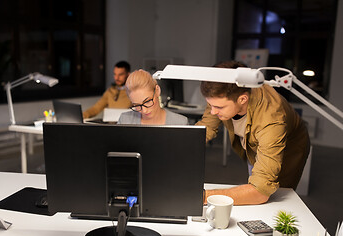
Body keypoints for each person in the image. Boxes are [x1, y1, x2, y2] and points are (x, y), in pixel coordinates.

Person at [195, 61, 310, 205]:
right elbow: (207, 127)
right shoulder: (222, 92)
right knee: (252, 185)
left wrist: (203, 196)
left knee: (277, 197)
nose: (212, 111)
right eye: (210, 105)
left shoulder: (271, 119)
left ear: (243, 99)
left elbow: (260, 192)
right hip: (254, 142)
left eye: (218, 107)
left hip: (290, 146)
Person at [118, 69, 188, 125]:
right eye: (137, 105)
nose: (144, 111)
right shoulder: (125, 121)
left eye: (147, 101)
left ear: (157, 91)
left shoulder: (179, 123)